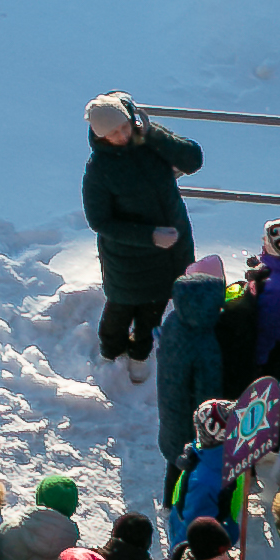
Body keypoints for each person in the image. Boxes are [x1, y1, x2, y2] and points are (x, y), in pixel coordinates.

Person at [81, 95, 203, 377]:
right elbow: (100, 221)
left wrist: (154, 133)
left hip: (173, 250)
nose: (123, 136)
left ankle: (140, 353)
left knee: (154, 309)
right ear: (101, 136)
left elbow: (193, 159)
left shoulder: (150, 141)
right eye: (114, 133)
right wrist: (150, 236)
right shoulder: (99, 170)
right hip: (128, 260)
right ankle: (110, 353)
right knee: (120, 312)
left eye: (125, 127)